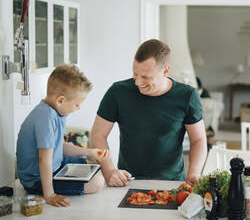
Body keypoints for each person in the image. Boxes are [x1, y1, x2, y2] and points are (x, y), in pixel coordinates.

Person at [90, 39, 207, 187]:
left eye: (145, 76)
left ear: (165, 71)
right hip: (127, 182)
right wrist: (109, 170)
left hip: (171, 184)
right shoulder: (117, 92)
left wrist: (194, 172)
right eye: (135, 73)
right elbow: (98, 133)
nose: (138, 82)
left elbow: (198, 139)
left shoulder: (187, 96)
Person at [16, 64, 109, 207]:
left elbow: (60, 147)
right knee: (97, 182)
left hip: (56, 166)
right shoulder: (45, 117)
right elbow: (44, 159)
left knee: (93, 166)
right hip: (37, 180)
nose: (79, 108)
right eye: (77, 104)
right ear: (60, 100)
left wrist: (90, 152)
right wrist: (50, 195)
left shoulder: (56, 111)